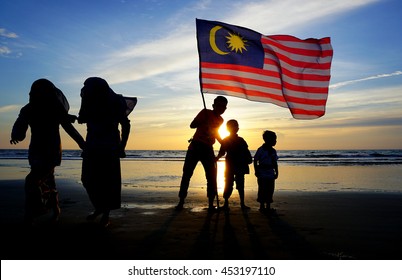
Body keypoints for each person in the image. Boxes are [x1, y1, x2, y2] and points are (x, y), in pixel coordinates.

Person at [10, 78, 85, 225]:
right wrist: (16, 136)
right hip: (37, 150)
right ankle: (55, 209)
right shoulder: (28, 109)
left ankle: (31, 214)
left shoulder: (53, 108)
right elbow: (20, 130)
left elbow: (69, 129)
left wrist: (83, 144)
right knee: (48, 179)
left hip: (51, 150)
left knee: (32, 180)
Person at [77, 77, 131, 227]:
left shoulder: (115, 102)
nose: (84, 89)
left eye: (87, 86)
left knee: (108, 181)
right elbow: (82, 118)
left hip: (110, 146)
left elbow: (125, 124)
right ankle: (100, 208)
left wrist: (122, 146)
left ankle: (105, 214)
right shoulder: (89, 100)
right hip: (92, 145)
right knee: (87, 179)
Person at [176, 96, 228, 211]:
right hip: (195, 146)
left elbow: (215, 133)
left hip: (208, 148)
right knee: (187, 174)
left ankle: (210, 203)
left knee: (211, 176)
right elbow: (192, 125)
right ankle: (181, 201)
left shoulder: (220, 120)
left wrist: (223, 142)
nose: (221, 108)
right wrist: (203, 120)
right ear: (213, 106)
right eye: (219, 105)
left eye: (223, 106)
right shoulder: (205, 112)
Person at [216, 119, 252, 211]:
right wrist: (216, 158)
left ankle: (242, 203)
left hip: (240, 164)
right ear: (228, 129)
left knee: (240, 184)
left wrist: (249, 159)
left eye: (236, 126)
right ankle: (226, 203)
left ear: (238, 128)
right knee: (228, 183)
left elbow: (246, 151)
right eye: (233, 126)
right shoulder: (226, 140)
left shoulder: (241, 140)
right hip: (230, 165)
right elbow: (222, 152)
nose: (235, 128)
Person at [253, 130, 279, 213]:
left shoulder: (273, 151)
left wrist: (276, 172)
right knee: (262, 189)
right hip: (262, 173)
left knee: (270, 189)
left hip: (270, 173)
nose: (275, 141)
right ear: (267, 140)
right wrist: (256, 170)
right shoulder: (261, 150)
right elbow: (255, 160)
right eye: (274, 139)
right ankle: (262, 206)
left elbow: (275, 162)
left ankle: (268, 206)